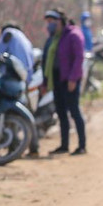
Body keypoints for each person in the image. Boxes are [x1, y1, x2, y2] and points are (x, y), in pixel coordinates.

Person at [41, 9, 87, 155]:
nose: (49, 25)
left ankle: (82, 145)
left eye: (51, 22)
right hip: (57, 79)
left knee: (74, 111)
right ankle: (64, 145)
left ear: (59, 21)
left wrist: (73, 79)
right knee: (61, 113)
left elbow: (79, 58)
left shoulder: (73, 35)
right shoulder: (53, 38)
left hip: (69, 80)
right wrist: (45, 81)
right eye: (47, 22)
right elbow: (46, 61)